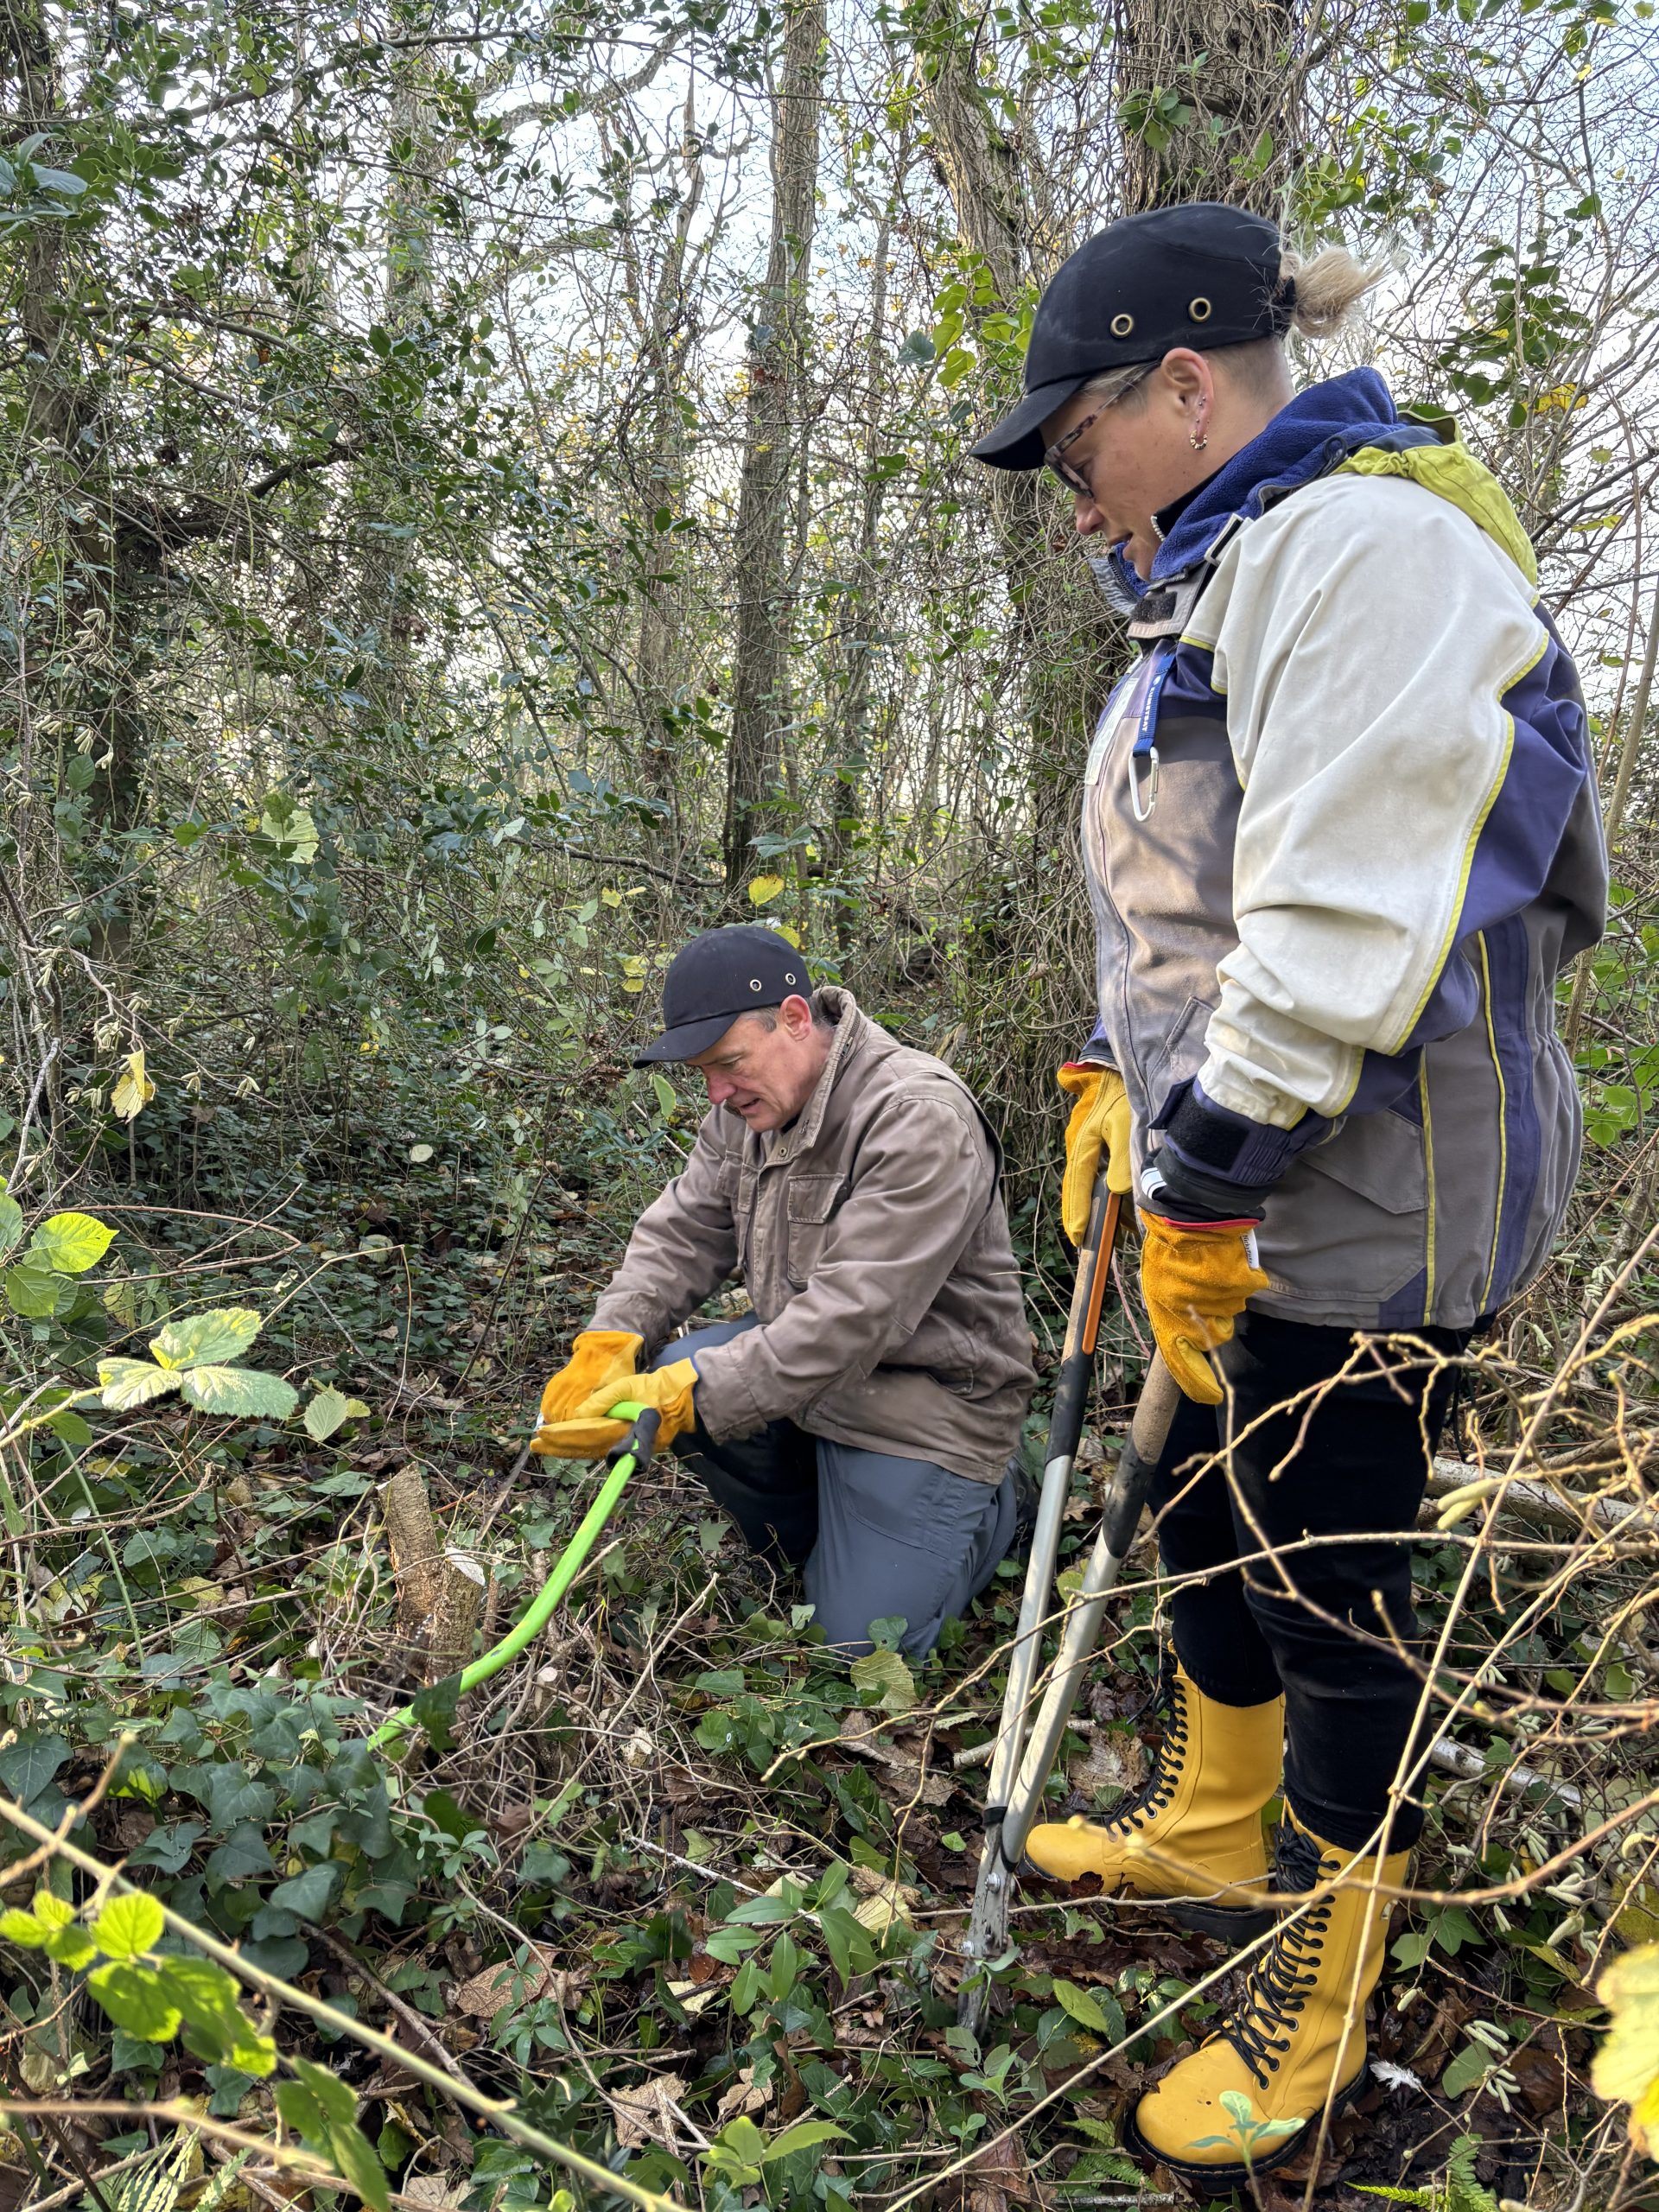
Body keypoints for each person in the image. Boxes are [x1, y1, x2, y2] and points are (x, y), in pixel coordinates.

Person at [971, 201, 1606, 2185]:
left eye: (1080, 456)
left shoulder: (1367, 547)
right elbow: (1206, 899)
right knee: (1197, 1495)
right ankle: (1211, 1813)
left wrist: (1206, 1168)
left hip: (1377, 1190)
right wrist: (1125, 1088)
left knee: (1327, 1571)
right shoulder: (1225, 568)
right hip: (1243, 1174)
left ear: (1182, 384)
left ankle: (1319, 2003)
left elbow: (1338, 914)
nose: (1076, 503)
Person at [532, 925, 1037, 1658]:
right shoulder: (747, 1110)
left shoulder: (916, 1116)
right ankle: (828, 1543)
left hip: (924, 1404)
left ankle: (996, 1508)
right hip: (808, 1386)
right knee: (676, 1364)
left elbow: (848, 1320)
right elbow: (681, 1235)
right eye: (703, 1072)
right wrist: (612, 1340)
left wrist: (688, 1397)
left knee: (856, 1654)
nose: (716, 1092)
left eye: (729, 1063)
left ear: (796, 1019)